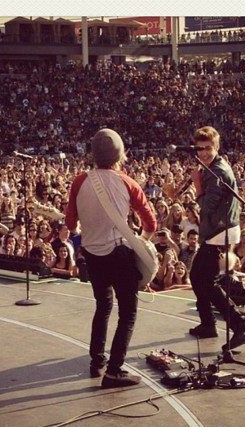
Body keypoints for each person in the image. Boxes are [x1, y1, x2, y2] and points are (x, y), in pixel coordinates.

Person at [66, 128, 156, 388]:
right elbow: (150, 221)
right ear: (120, 154)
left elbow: (71, 223)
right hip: (119, 253)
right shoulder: (127, 182)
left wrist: (90, 232)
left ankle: (97, 361)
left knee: (103, 306)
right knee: (127, 312)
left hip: (93, 255)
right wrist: (141, 243)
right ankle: (115, 370)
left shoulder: (79, 181)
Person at [189, 126, 245, 351]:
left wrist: (197, 186)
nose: (204, 153)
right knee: (198, 278)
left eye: (208, 148)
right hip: (218, 231)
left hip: (220, 233)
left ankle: (241, 326)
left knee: (206, 281)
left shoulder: (215, 172)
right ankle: (208, 323)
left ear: (216, 147)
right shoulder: (212, 167)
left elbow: (207, 207)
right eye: (200, 149)